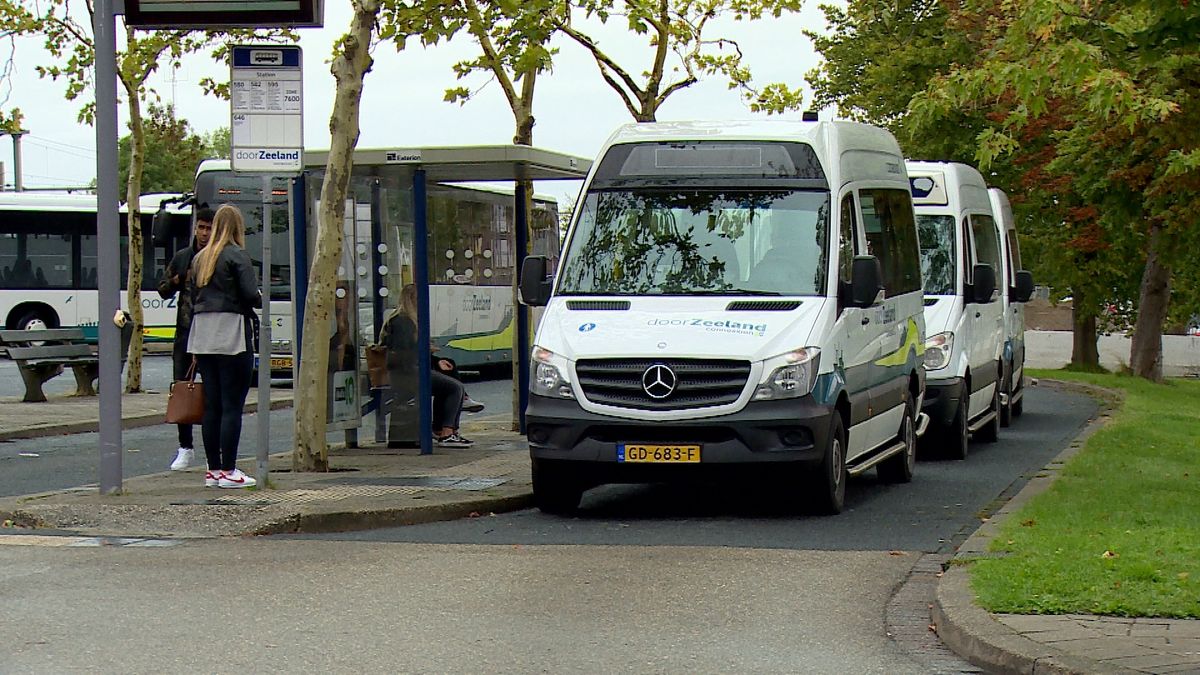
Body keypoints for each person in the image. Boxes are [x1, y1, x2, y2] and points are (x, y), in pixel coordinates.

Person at [187, 204, 262, 488]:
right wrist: (259, 297)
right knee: (233, 404)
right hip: (231, 331)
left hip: (203, 332)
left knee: (212, 406)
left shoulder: (200, 258)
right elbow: (249, 294)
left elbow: (194, 294)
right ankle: (230, 470)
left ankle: (214, 471)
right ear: (237, 227)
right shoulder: (237, 255)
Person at [380, 284, 474, 447]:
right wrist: (424, 349)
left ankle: (442, 428)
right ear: (411, 300)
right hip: (406, 373)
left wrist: (436, 360)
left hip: (409, 369)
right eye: (419, 299)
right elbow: (403, 353)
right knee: (455, 387)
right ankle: (447, 431)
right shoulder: (403, 322)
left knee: (449, 369)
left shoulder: (407, 320)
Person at [157, 206, 213, 471]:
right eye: (201, 227)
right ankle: (185, 447)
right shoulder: (182, 257)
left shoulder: (219, 257)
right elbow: (162, 289)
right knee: (182, 388)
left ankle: (216, 449)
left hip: (213, 333)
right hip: (185, 332)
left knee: (215, 391)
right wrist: (179, 279)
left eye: (209, 228)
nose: (204, 233)